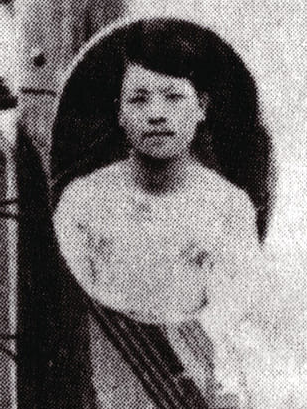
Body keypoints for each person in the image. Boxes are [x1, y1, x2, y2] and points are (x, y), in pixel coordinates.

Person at [53, 21, 259, 327]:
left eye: (173, 97)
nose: (156, 115)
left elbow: (229, 316)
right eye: (138, 99)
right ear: (120, 112)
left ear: (201, 106)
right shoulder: (82, 201)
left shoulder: (230, 208)